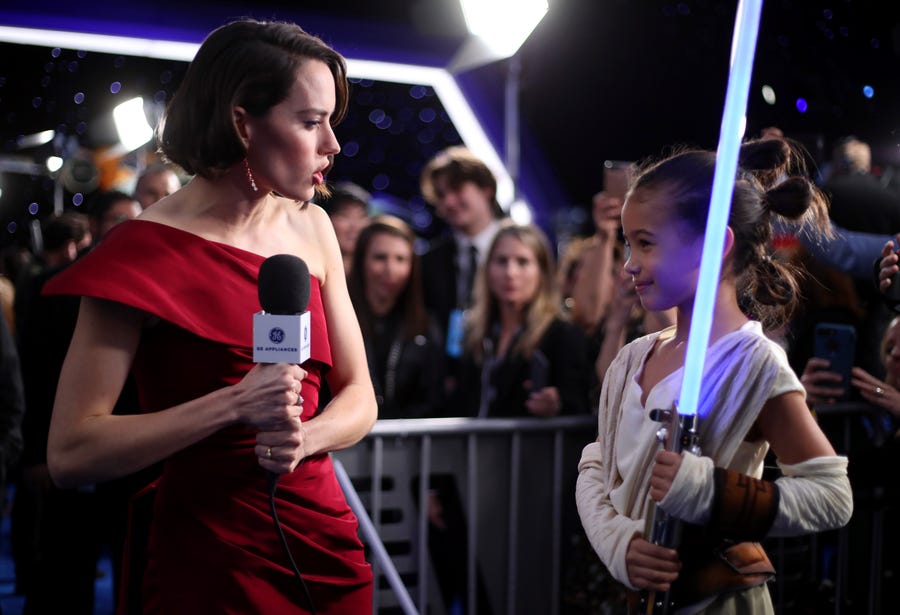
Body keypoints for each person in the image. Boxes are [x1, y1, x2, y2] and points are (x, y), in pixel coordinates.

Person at [41, 19, 376, 614]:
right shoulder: (139, 251)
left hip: (322, 540)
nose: (333, 144)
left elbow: (359, 398)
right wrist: (232, 405)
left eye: (332, 121)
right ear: (243, 123)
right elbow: (71, 453)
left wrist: (304, 439)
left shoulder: (313, 227)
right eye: (309, 121)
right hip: (208, 555)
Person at [575, 138, 853, 613]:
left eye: (646, 243)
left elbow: (831, 496)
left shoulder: (753, 364)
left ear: (716, 244)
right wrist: (617, 543)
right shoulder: (632, 358)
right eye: (628, 242)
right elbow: (597, 464)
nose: (629, 264)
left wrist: (711, 492)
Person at [453, 222, 591, 418]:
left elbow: (580, 406)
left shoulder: (563, 335)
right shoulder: (474, 333)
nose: (510, 273)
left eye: (522, 262)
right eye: (501, 261)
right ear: (487, 270)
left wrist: (558, 406)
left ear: (542, 272)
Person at [347, 215, 444, 419]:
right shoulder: (338, 319)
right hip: (346, 443)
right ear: (361, 261)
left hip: (409, 445)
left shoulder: (425, 325)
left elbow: (433, 400)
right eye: (380, 258)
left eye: (401, 259)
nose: (391, 270)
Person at [420, 146, 506, 370]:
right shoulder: (429, 260)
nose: (448, 202)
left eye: (457, 189)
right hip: (449, 375)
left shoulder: (521, 249)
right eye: (441, 195)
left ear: (486, 189)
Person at [318, 181, 371, 276]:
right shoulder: (313, 267)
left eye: (361, 216)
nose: (355, 226)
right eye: (345, 215)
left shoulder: (372, 274)